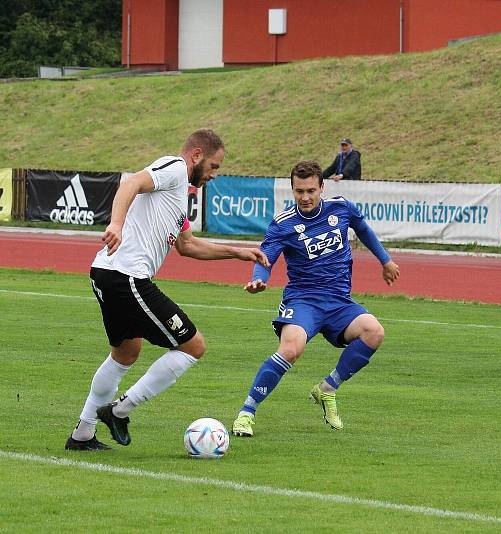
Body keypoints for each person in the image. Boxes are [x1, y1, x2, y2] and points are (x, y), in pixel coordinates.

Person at [65, 129, 267, 451]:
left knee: (125, 353)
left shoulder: (178, 199)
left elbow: (187, 246)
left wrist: (237, 252)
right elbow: (130, 184)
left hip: (108, 273)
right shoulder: (174, 167)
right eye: (214, 167)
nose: (214, 175)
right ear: (197, 155)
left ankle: (82, 435)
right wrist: (116, 223)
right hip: (126, 276)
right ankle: (119, 411)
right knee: (193, 346)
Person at [231, 160, 399, 435]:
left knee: (374, 332)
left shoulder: (341, 208)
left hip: (339, 302)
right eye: (299, 191)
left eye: (311, 190)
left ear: (322, 187)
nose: (305, 197)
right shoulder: (283, 223)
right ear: (292, 190)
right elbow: (266, 257)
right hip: (303, 300)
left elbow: (364, 229)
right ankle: (246, 413)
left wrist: (386, 261)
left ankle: (327, 389)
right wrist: (259, 278)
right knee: (291, 349)